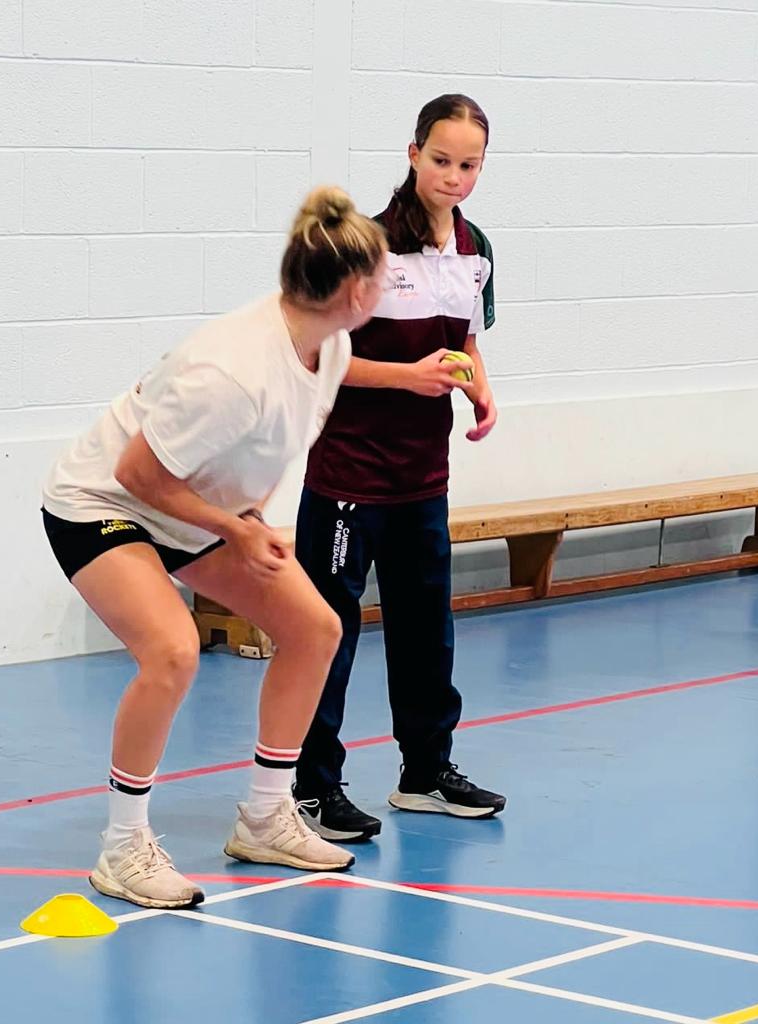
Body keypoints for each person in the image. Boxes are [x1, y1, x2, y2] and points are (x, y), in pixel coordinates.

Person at [41, 186, 389, 908]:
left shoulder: (328, 349)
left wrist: (247, 515)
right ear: (355, 290)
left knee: (313, 628)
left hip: (190, 510)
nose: (387, 287)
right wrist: (238, 529)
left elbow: (248, 456)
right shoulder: (231, 372)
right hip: (101, 504)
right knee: (171, 651)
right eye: (383, 276)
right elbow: (136, 473)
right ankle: (121, 848)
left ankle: (265, 816)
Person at [292, 95, 507, 841]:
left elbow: (465, 342)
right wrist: (406, 378)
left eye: (468, 165)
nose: (453, 176)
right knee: (328, 630)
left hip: (424, 478)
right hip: (349, 480)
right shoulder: (369, 248)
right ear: (412, 153)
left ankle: (424, 773)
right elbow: (319, 356)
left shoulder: (475, 246)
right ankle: (312, 788)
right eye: (440, 160)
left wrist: (479, 390)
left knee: (426, 630)